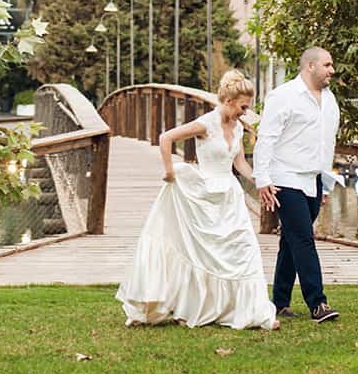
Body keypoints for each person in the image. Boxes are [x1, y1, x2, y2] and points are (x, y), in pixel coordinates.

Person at [116, 70, 278, 330]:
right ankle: (195, 307)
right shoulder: (205, 124)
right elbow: (166, 138)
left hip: (230, 195)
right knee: (203, 254)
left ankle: (253, 312)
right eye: (243, 107)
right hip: (205, 194)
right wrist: (169, 171)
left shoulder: (237, 127)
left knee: (244, 249)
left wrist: (261, 182)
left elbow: (239, 163)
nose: (245, 113)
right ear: (228, 101)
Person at [253, 47, 341, 323]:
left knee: (290, 241)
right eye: (327, 65)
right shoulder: (283, 96)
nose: (332, 70)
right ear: (310, 66)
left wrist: (325, 183)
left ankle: (279, 302)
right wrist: (262, 179)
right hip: (285, 178)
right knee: (303, 238)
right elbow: (266, 138)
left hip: (314, 179)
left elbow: (327, 143)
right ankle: (318, 303)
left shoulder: (329, 100)